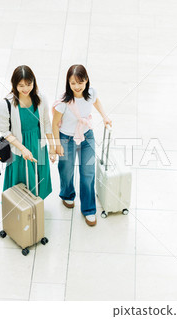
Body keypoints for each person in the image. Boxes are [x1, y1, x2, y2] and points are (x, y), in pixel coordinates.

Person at [52, 64, 112, 226]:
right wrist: (57, 144)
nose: (77, 87)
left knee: (88, 172)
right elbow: (54, 123)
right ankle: (67, 194)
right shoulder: (63, 101)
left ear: (86, 81)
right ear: (68, 83)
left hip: (86, 135)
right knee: (66, 170)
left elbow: (96, 101)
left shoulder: (90, 93)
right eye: (73, 83)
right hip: (66, 138)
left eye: (80, 82)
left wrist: (105, 116)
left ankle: (89, 208)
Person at [0, 65, 54, 199]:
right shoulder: (6, 104)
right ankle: (21, 211)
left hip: (38, 144)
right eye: (21, 85)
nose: (25, 89)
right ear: (14, 84)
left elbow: (46, 123)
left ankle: (35, 207)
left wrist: (52, 147)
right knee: (21, 181)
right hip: (18, 148)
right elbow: (5, 132)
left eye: (29, 84)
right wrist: (23, 149)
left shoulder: (40, 98)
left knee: (39, 177)